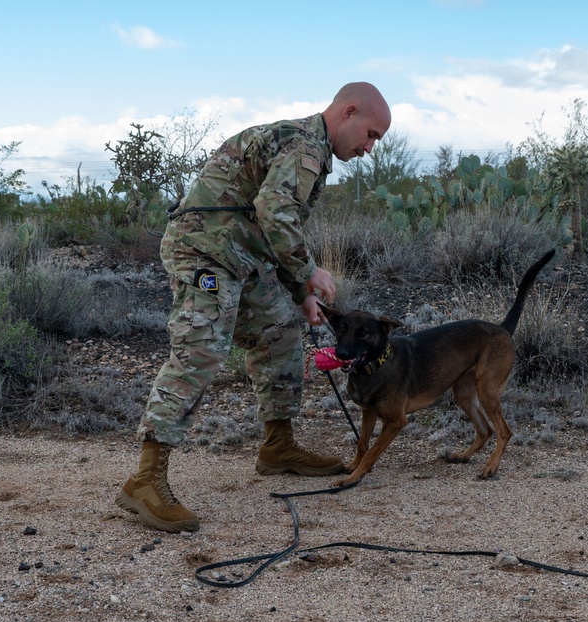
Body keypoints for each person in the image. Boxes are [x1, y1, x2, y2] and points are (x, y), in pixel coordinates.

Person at [116, 82, 392, 533]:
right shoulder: (304, 145)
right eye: (371, 134)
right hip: (202, 253)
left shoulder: (311, 151)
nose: (370, 147)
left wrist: (298, 294)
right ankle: (145, 480)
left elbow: (266, 227)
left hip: (241, 257)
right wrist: (308, 273)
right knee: (202, 346)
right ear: (349, 112)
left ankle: (277, 446)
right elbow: (273, 210)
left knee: (280, 331)